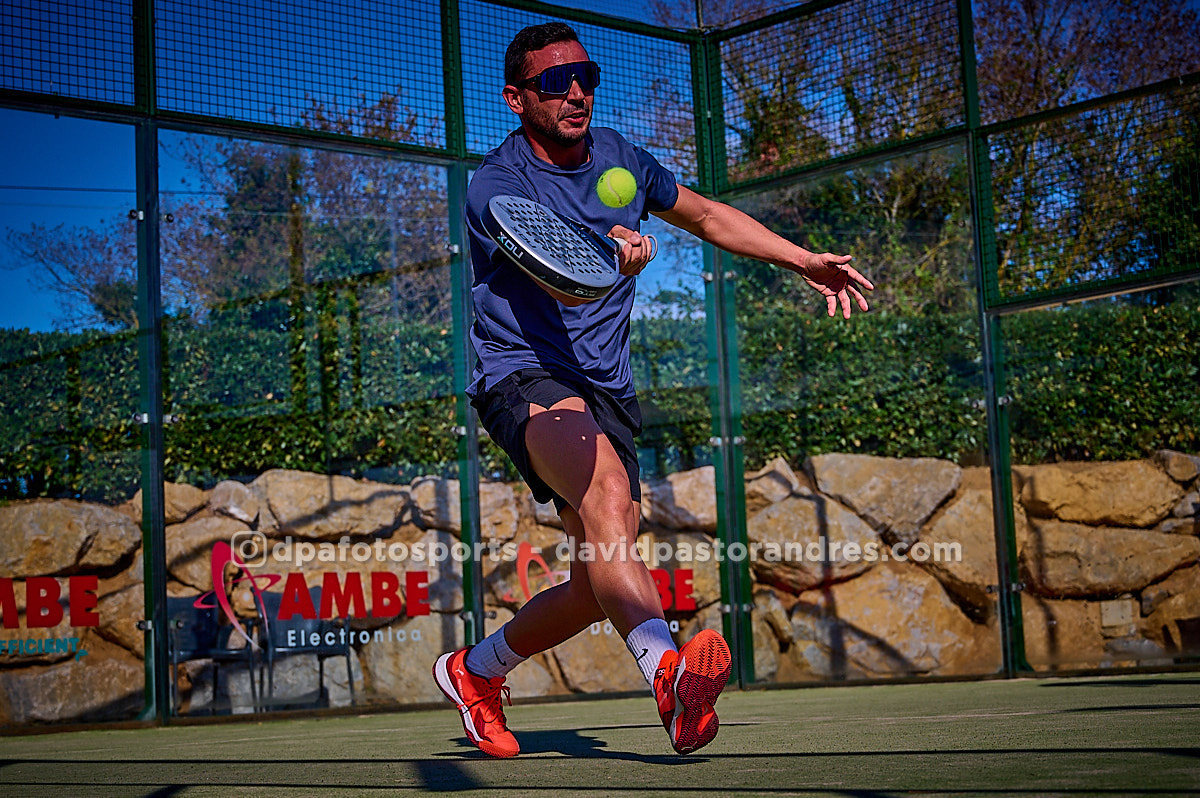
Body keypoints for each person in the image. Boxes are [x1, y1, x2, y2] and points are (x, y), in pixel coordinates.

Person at [433, 22, 873, 758]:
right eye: (554, 82)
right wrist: (614, 263)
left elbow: (705, 215)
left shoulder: (621, 157)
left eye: (586, 77)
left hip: (606, 385)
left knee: (595, 581)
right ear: (516, 98)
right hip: (524, 371)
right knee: (609, 499)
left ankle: (474, 671)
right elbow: (564, 284)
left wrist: (802, 260)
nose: (576, 92)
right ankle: (670, 681)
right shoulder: (496, 188)